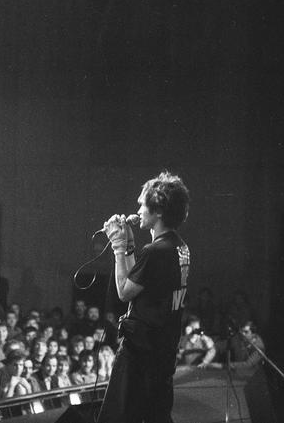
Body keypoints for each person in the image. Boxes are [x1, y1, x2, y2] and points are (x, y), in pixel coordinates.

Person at [97, 171, 190, 423]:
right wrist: (129, 245)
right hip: (163, 352)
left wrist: (118, 247)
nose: (138, 209)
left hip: (140, 353)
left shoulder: (154, 251)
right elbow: (138, 284)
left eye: (142, 204)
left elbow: (124, 291)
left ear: (158, 210)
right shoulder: (179, 246)